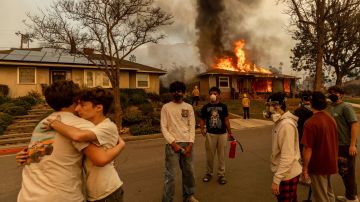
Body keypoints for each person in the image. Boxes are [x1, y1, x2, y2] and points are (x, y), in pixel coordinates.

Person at [16, 81, 123, 202]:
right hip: (60, 196)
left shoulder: (43, 123)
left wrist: (24, 155)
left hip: (27, 195)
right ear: (75, 100)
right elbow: (100, 158)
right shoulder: (80, 125)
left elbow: (41, 154)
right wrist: (121, 145)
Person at [42, 87, 125, 202]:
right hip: (96, 193)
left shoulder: (107, 127)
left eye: (83, 105)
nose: (77, 109)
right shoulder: (92, 126)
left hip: (108, 191)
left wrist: (55, 123)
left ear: (99, 108)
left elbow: (78, 136)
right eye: (77, 105)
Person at [160, 81, 198, 202]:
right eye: (175, 91)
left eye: (180, 91)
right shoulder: (166, 107)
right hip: (172, 145)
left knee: (189, 172)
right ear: (171, 93)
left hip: (187, 144)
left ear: (184, 93)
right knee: (170, 175)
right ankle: (167, 200)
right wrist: (173, 144)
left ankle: (188, 196)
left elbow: (192, 126)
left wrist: (190, 144)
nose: (178, 93)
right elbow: (163, 127)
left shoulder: (189, 107)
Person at [264, 92, 302, 202]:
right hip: (285, 173)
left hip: (287, 175)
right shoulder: (279, 122)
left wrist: (277, 179)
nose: (268, 109)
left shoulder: (286, 125)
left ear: (276, 105)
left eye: (269, 105)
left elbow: (287, 155)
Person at [301, 91, 338, 202]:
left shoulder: (310, 123)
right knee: (328, 192)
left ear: (311, 103)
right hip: (330, 161)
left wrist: (305, 168)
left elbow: (308, 148)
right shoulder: (331, 119)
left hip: (318, 164)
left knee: (321, 196)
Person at [328, 86, 359, 202]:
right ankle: (349, 195)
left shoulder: (346, 107)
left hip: (346, 145)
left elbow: (355, 125)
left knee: (348, 172)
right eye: (331, 92)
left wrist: (352, 145)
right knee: (343, 171)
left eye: (335, 92)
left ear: (341, 94)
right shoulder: (333, 107)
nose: (332, 94)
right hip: (337, 145)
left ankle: (353, 198)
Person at [200, 86, 232, 185]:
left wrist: (230, 132)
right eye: (210, 94)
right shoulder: (205, 107)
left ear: (219, 95)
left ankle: (221, 175)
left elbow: (226, 120)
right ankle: (208, 173)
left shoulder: (223, 106)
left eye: (215, 93)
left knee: (221, 156)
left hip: (222, 134)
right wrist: (202, 129)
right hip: (210, 135)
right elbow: (202, 119)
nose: (212, 95)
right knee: (210, 156)